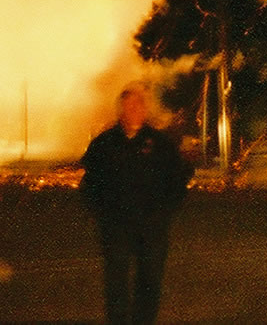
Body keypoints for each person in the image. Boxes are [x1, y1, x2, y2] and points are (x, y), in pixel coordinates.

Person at [78, 81, 193, 325]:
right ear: (121, 109)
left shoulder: (160, 144)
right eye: (129, 105)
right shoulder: (105, 143)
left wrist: (165, 212)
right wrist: (100, 212)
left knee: (150, 279)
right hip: (116, 225)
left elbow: (178, 178)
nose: (135, 109)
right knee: (116, 281)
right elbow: (91, 181)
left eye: (139, 104)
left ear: (145, 108)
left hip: (152, 226)